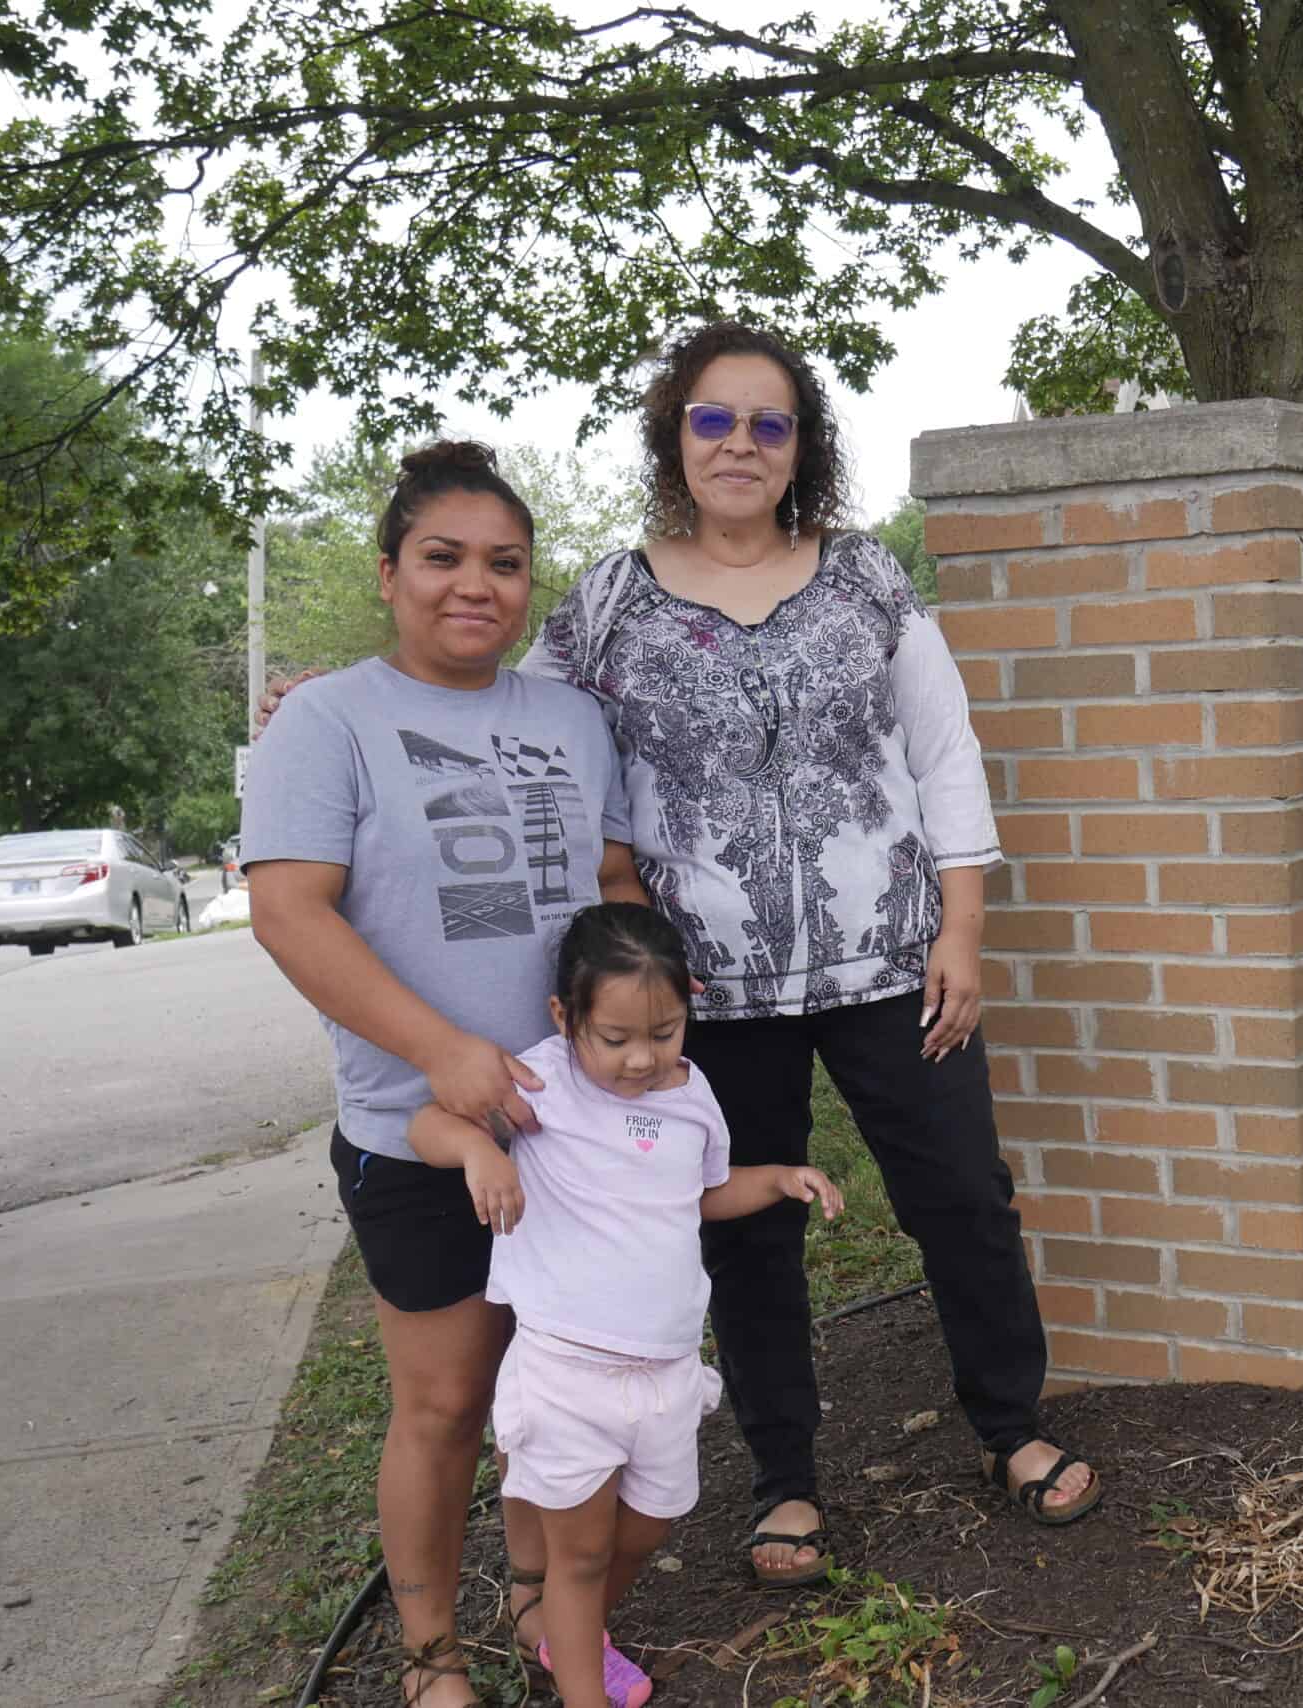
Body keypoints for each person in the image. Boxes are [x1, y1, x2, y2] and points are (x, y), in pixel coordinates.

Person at [260, 325, 1102, 1588]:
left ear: (800, 447)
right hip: (699, 998)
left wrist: (963, 929)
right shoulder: (606, 599)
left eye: (769, 424)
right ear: (676, 437)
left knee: (962, 1200)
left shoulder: (869, 577)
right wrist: (332, 697)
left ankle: (1010, 1426)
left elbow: (945, 754)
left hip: (891, 966)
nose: (741, 445)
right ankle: (786, 1481)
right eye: (714, 420)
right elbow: (476, 685)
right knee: (742, 1235)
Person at [243, 442, 653, 1707]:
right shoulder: (326, 720)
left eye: (504, 563)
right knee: (448, 1401)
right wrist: (442, 1052)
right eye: (443, 557)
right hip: (416, 1130)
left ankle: (543, 1606)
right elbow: (290, 913)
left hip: (575, 1135)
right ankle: (429, 1663)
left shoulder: (573, 718)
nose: (475, 584)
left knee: (560, 1388)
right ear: (388, 573)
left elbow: (614, 887)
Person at [409, 903, 843, 1708]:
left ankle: (568, 1639)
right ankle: (580, 1682)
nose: (642, 1059)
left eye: (665, 1031)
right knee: (577, 1556)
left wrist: (781, 1178)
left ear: (689, 1005)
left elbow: (703, 1195)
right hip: (567, 1373)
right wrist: (477, 1151)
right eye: (615, 1039)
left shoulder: (693, 1094)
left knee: (645, 1529)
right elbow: (425, 1123)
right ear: (564, 1017)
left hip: (668, 1371)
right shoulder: (540, 1080)